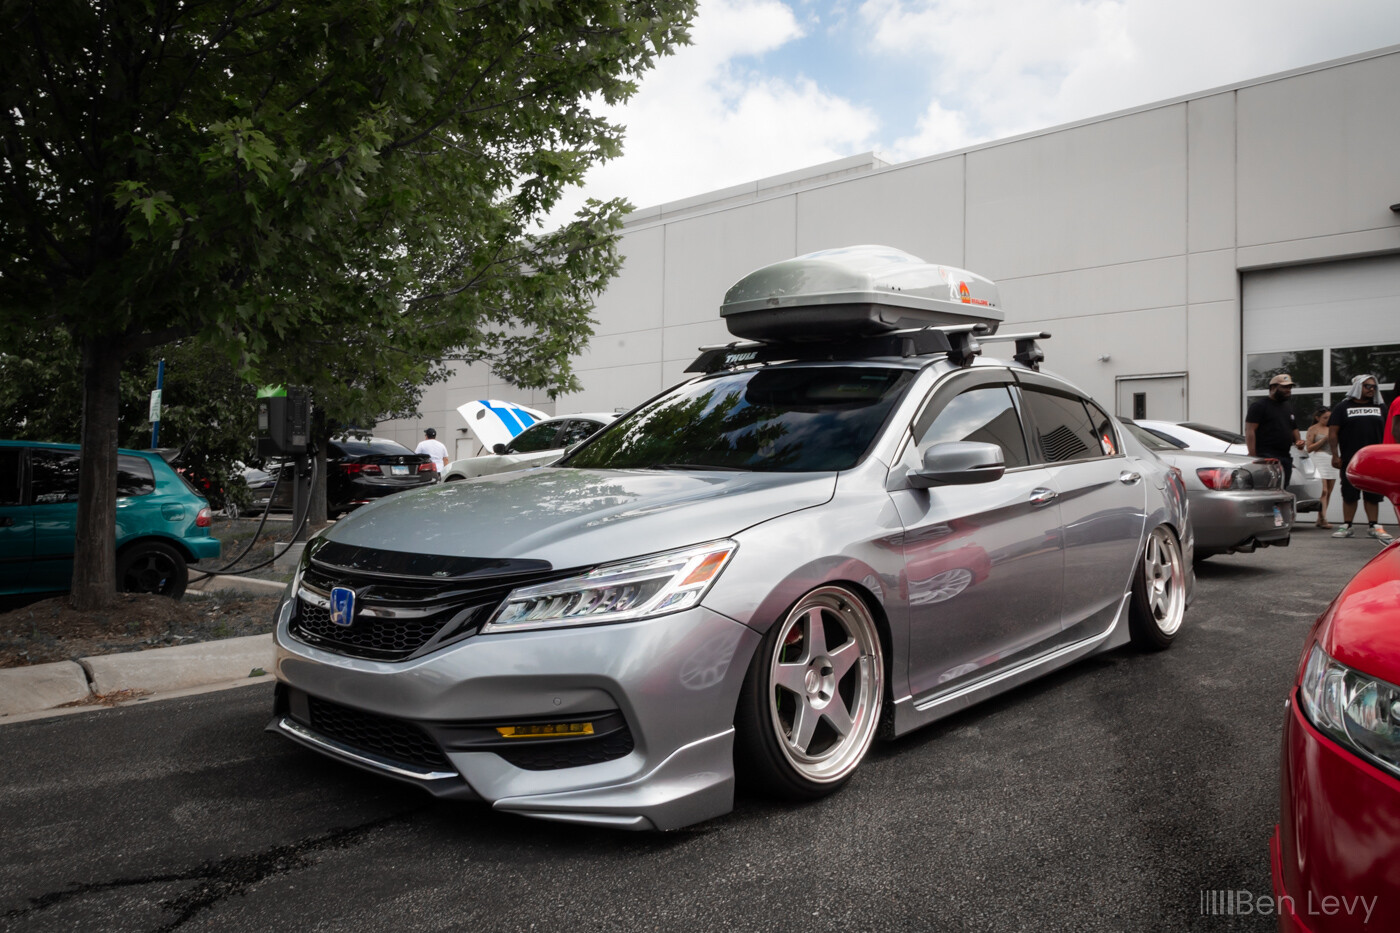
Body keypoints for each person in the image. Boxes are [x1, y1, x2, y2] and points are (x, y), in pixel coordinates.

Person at [1328, 374, 1391, 542]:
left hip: (1375, 459)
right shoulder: (1342, 407)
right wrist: (1335, 455)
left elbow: (1390, 431)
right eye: (1367, 386)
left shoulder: (1380, 407)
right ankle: (1347, 526)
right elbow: (1333, 433)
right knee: (1349, 493)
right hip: (1350, 459)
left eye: (1374, 387)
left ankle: (1374, 526)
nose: (1372, 389)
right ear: (1357, 387)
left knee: (1373, 494)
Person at [1245, 372, 1304, 491]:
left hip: (1285, 456)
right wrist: (1253, 455)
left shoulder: (1287, 407)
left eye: (1290, 387)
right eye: (1284, 387)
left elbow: (1293, 427)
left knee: (1282, 489)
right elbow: (1250, 430)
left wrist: (1298, 441)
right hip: (1267, 456)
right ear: (1273, 388)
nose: (1288, 390)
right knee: (1267, 489)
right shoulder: (1259, 406)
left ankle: (1279, 510)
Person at [1304, 407, 1336, 529]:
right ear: (1317, 418)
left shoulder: (1333, 428)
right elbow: (1309, 448)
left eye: (1329, 417)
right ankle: (1324, 518)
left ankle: (1320, 517)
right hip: (1320, 458)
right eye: (1325, 418)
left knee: (1330, 491)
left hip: (1331, 459)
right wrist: (1324, 439)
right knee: (1324, 490)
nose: (1328, 420)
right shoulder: (1313, 429)